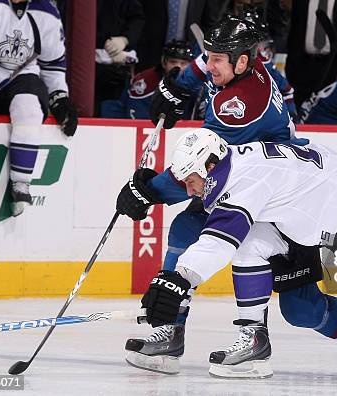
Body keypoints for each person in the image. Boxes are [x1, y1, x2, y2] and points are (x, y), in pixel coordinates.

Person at [117, 128, 337, 378]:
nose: (189, 190)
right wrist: (150, 190)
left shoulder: (246, 182)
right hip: (296, 216)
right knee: (291, 299)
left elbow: (219, 241)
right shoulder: (228, 165)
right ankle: (254, 341)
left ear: (210, 164)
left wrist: (177, 279)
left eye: (190, 180)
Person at [115, 16, 297, 376]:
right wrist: (178, 88)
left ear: (241, 61)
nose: (209, 64)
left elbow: (199, 165)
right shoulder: (238, 61)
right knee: (185, 230)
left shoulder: (241, 104)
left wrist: (148, 191)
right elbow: (200, 67)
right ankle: (170, 331)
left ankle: (254, 338)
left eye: (217, 60)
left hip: (271, 187)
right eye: (209, 56)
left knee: (253, 254)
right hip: (242, 173)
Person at [0, 0, 77, 216]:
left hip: (21, 77)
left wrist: (60, 98)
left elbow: (53, 65)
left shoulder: (47, 11)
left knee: (29, 110)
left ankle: (21, 184)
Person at [100, 40, 194, 120]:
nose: (178, 67)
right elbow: (138, 119)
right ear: (163, 62)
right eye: (173, 62)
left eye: (184, 63)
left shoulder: (198, 82)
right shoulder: (146, 82)